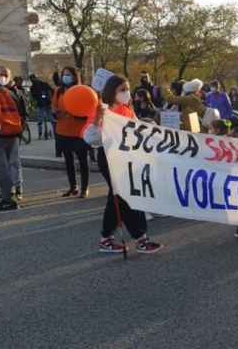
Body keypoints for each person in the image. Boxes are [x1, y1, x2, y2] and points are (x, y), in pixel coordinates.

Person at [96, 75, 162, 254]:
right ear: (112, 91)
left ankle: (106, 238)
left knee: (117, 197)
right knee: (126, 195)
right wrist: (98, 122)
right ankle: (140, 238)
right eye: (122, 90)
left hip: (128, 156)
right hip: (110, 157)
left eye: (127, 89)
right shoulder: (103, 110)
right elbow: (89, 136)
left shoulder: (127, 109)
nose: (126, 93)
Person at [52, 67, 90, 198]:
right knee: (68, 162)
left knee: (82, 161)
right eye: (64, 74)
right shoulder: (58, 91)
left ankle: (84, 188)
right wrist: (56, 113)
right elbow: (54, 107)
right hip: (63, 131)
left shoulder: (82, 90)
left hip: (79, 132)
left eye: (69, 74)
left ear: (75, 76)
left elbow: (87, 110)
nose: (66, 77)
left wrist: (74, 113)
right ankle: (73, 187)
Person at [0, 65, 23, 210]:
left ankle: (7, 199)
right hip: (12, 132)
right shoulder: (8, 92)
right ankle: (14, 191)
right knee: (11, 165)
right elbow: (20, 111)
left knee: (2, 169)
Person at [0, 69, 27, 200]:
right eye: (0, 75)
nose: (2, 77)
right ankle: (7, 189)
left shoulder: (15, 93)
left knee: (14, 162)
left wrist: (21, 128)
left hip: (12, 133)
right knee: (3, 165)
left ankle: (17, 188)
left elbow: (23, 112)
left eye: (5, 75)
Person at [30, 74, 55, 140]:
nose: (33, 80)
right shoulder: (33, 87)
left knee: (50, 119)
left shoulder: (43, 84)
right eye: (32, 79)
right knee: (42, 120)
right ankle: (41, 133)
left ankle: (52, 132)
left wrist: (50, 97)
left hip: (46, 103)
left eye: (33, 79)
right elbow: (33, 96)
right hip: (42, 104)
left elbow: (52, 90)